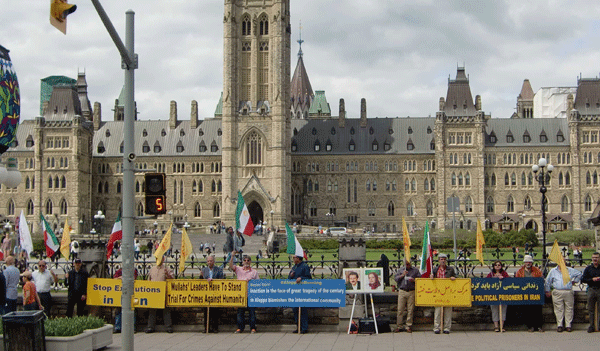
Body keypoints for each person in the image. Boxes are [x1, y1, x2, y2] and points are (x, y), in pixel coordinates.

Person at [545, 262, 582, 332]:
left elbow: (579, 274)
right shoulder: (553, 271)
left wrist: (575, 281)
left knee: (569, 308)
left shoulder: (570, 270)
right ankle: (560, 325)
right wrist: (547, 290)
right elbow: (548, 281)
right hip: (557, 291)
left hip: (568, 291)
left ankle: (568, 325)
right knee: (558, 309)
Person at [229, 251, 259, 333]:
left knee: (252, 313)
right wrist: (232, 256)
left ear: (250, 262)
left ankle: (253, 328)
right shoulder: (239, 269)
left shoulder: (254, 272)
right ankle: (240, 328)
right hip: (241, 295)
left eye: (248, 260)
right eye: (245, 260)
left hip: (250, 294)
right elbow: (231, 266)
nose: (246, 262)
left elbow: (258, 283)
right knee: (240, 312)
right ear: (242, 262)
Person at [515, 255, 544, 332]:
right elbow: (517, 282)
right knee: (528, 310)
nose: (528, 263)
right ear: (524, 263)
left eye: (529, 262)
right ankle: (530, 326)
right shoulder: (520, 271)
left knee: (537, 310)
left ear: (532, 263)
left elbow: (541, 279)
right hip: (525, 293)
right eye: (527, 262)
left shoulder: (537, 270)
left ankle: (539, 326)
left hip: (536, 293)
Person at [146, 260, 174, 333]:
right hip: (153, 292)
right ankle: (150, 327)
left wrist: (167, 274)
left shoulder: (167, 268)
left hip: (164, 292)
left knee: (166, 310)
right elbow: (148, 280)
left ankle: (168, 327)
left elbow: (172, 280)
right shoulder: (152, 269)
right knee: (152, 310)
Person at [394, 259, 421, 333]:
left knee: (410, 310)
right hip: (402, 291)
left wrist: (414, 280)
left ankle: (408, 326)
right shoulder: (400, 270)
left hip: (411, 291)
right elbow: (396, 279)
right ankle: (399, 326)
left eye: (408, 264)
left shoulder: (415, 270)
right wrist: (402, 275)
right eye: (406, 264)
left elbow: (420, 279)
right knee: (400, 310)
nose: (407, 265)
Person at [432, 253, 456, 334]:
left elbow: (456, 277)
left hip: (448, 292)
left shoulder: (450, 269)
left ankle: (447, 328)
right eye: (441, 259)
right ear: (439, 260)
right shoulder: (435, 269)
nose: (443, 261)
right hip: (438, 292)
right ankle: (436, 327)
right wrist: (431, 277)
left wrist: (453, 278)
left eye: (444, 259)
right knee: (438, 311)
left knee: (448, 310)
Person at [288, 255, 312, 334]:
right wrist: (290, 276)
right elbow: (289, 277)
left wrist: (301, 278)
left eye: (294, 257)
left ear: (298, 258)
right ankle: (298, 326)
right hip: (295, 291)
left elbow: (309, 278)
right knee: (295, 309)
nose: (293, 259)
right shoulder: (294, 267)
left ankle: (304, 327)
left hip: (303, 291)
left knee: (303, 309)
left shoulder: (304, 266)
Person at [201, 255, 224, 333]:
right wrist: (201, 276)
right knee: (206, 311)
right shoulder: (204, 270)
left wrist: (213, 280)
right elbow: (200, 281)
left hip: (215, 293)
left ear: (214, 261)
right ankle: (206, 327)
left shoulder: (219, 270)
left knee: (215, 312)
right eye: (208, 261)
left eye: (211, 261)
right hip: (206, 293)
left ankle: (215, 327)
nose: (209, 262)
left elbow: (221, 279)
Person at [113, 268, 139, 333]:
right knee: (118, 310)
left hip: (131, 293)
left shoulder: (133, 270)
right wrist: (120, 278)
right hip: (120, 293)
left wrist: (123, 278)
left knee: (132, 310)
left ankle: (132, 328)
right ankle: (118, 327)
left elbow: (133, 278)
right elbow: (114, 278)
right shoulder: (120, 270)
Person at [487, 260, 509, 332]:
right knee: (494, 310)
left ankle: (502, 326)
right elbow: (486, 282)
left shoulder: (504, 273)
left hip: (503, 295)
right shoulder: (491, 274)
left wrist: (503, 278)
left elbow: (509, 281)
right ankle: (496, 326)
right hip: (493, 295)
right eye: (496, 265)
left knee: (503, 310)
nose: (497, 266)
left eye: (499, 265)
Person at [582, 252, 600, 333]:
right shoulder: (588, 268)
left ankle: (599, 326)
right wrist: (592, 279)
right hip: (591, 289)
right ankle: (591, 326)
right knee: (590, 309)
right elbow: (583, 279)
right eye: (593, 257)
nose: (595, 259)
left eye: (596, 257)